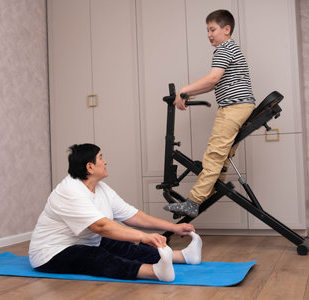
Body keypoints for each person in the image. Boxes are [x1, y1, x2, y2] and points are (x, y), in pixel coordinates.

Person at [29, 143, 202, 282]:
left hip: (85, 241)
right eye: (101, 158)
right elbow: (101, 227)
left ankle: (183, 256)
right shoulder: (69, 191)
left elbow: (133, 216)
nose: (105, 162)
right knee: (95, 256)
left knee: (120, 245)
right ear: (90, 167)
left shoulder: (101, 188)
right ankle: (154, 272)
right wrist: (143, 237)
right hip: (51, 252)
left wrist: (173, 227)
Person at [164, 9, 256, 218]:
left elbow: (213, 79)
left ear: (226, 29)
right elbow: (212, 85)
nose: (209, 34)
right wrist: (188, 94)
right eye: (207, 30)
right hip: (241, 106)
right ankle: (214, 189)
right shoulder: (232, 49)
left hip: (233, 108)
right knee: (223, 155)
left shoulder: (224, 49)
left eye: (212, 29)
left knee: (214, 155)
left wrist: (184, 89)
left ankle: (194, 201)